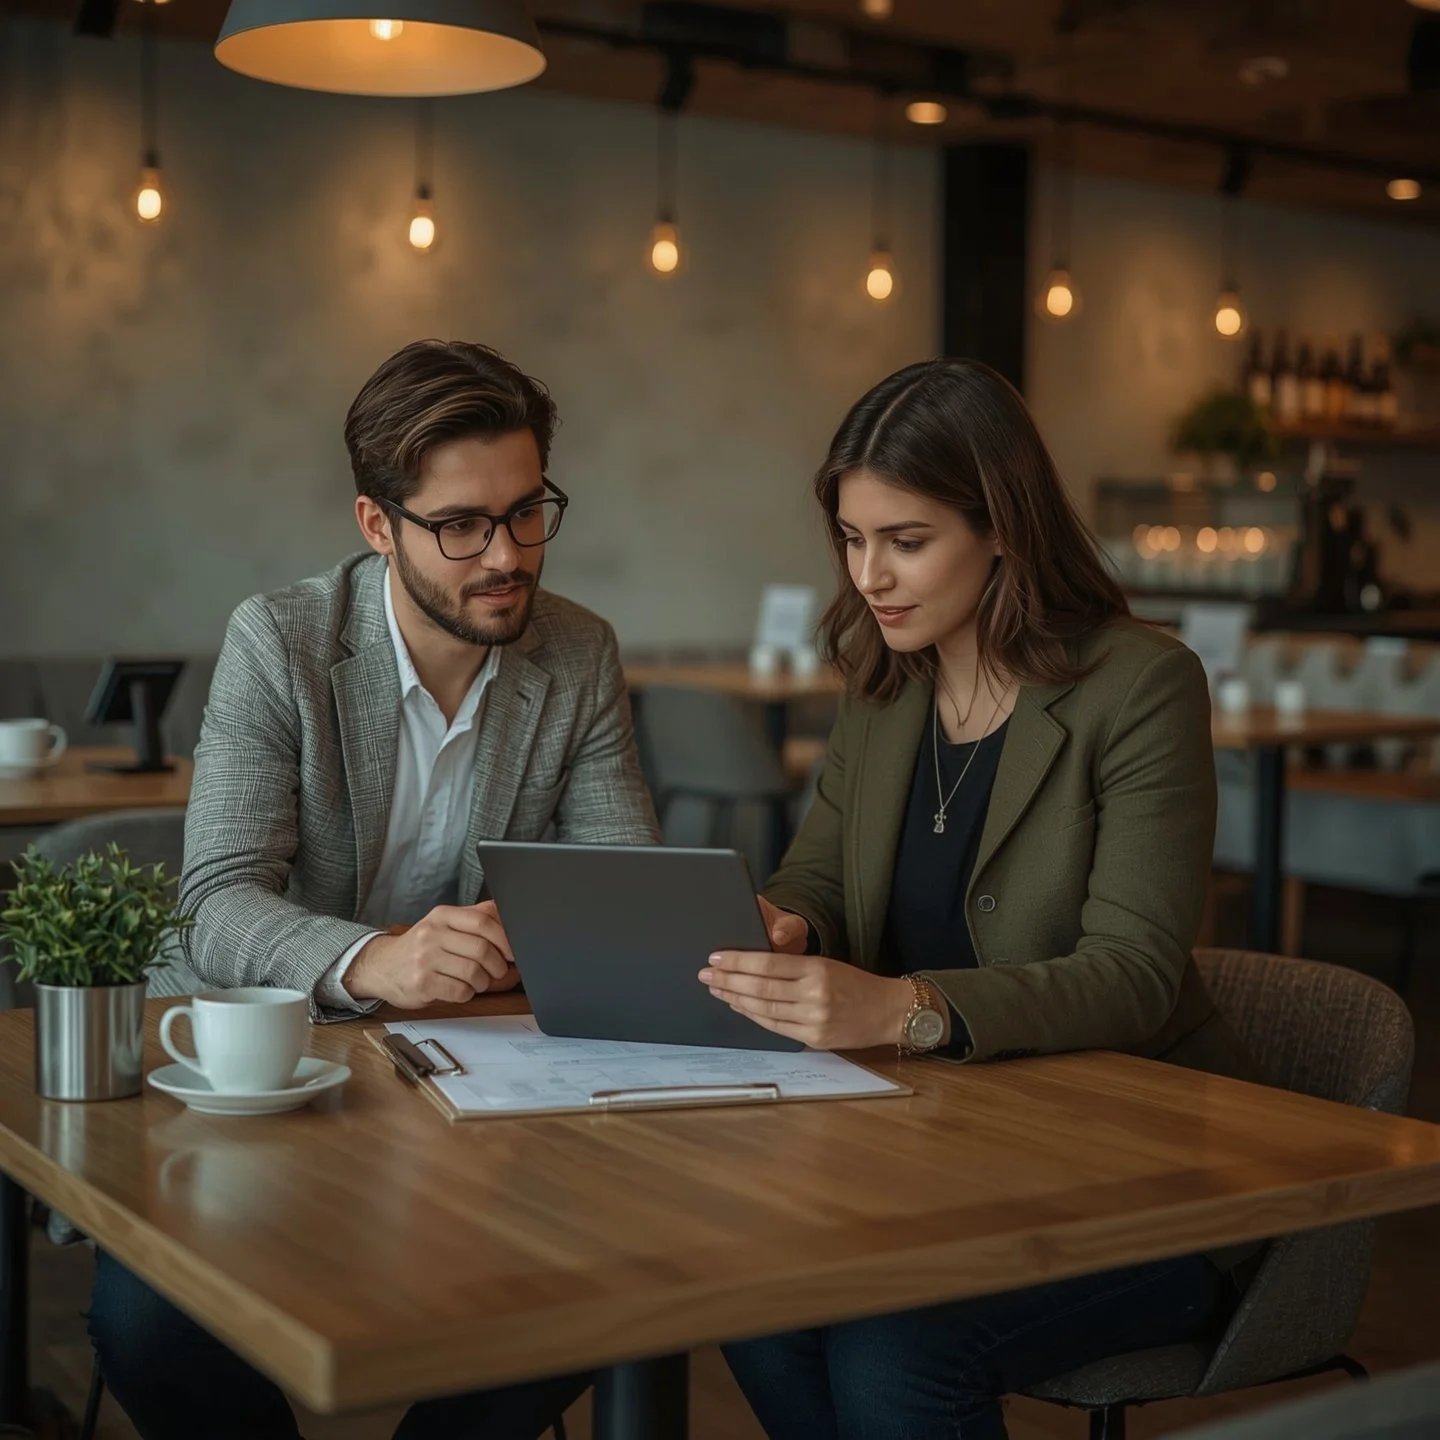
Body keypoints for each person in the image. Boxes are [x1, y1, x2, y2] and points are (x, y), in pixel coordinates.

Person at [87, 338, 803, 1440]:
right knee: (145, 1330)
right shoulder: (279, 641)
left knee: (624, 1289)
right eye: (461, 525)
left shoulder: (578, 653)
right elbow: (215, 900)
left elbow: (620, 879)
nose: (506, 555)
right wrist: (370, 959)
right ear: (377, 526)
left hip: (479, 1093)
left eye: (527, 513)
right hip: (271, 1074)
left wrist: (697, 930)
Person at [699, 358, 1262, 1440]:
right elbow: (820, 870)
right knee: (754, 1297)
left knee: (894, 1351)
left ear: (1001, 525)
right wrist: (789, 924)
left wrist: (910, 1009)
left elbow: (1138, 974)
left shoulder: (1140, 685)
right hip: (937, 1149)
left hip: (1138, 1174)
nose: (871, 575)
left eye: (907, 542)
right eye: (853, 540)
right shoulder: (884, 681)